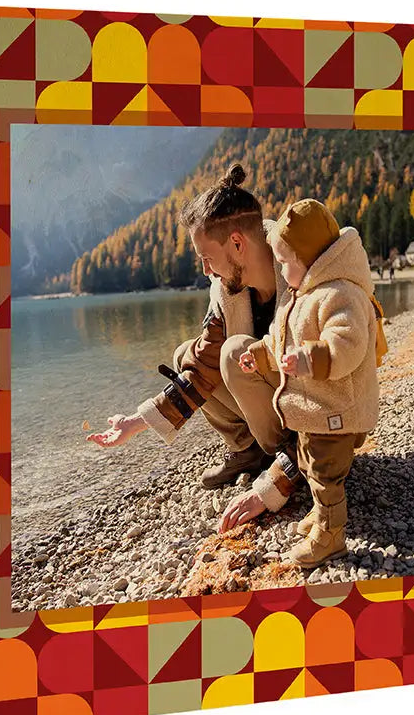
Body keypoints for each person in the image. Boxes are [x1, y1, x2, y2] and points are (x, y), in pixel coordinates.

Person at [86, 164, 300, 519]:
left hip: (318, 429)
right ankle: (248, 450)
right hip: (274, 401)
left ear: (236, 242)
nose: (205, 271)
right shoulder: (225, 291)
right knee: (187, 352)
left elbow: (325, 390)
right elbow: (201, 367)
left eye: (207, 259)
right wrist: (136, 422)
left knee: (235, 353)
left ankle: (283, 459)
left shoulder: (299, 273)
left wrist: (276, 484)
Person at [238, 199, 380, 568]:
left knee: (325, 474)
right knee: (307, 461)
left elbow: (347, 345)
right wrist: (262, 353)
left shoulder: (339, 294)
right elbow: (280, 338)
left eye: (285, 262)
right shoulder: (303, 296)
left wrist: (310, 358)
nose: (281, 270)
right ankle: (321, 518)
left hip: (337, 410)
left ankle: (331, 537)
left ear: (310, 258)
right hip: (314, 411)